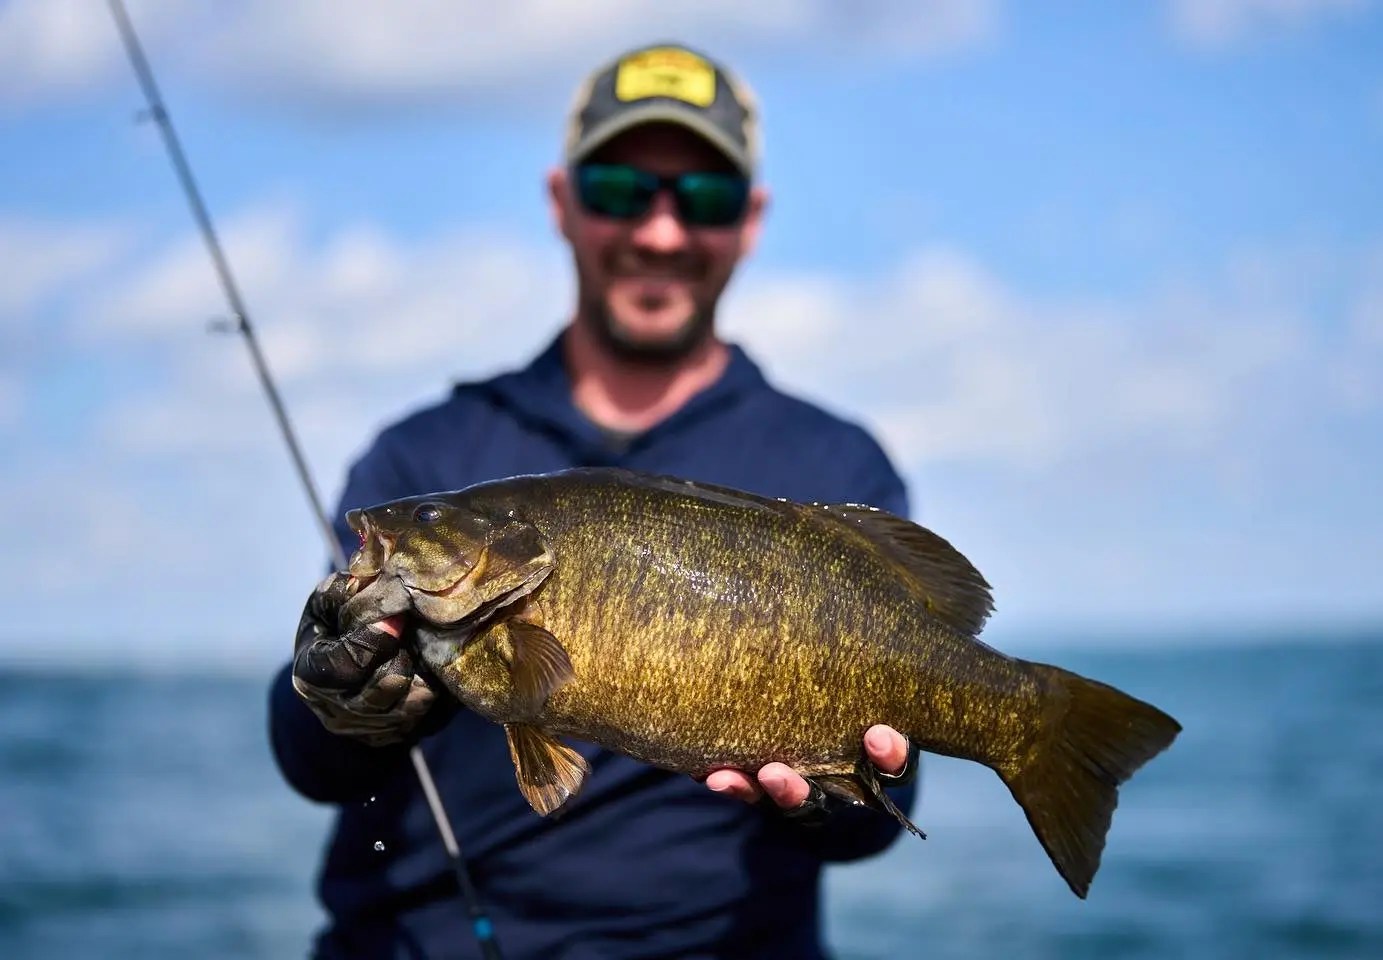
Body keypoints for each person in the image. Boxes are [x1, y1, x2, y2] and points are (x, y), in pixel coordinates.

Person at [268, 41, 919, 960]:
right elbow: (311, 764)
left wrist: (833, 803)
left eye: (703, 198)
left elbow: (876, 825)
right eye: (620, 190)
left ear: (752, 220)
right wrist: (332, 698)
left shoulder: (833, 466)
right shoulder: (429, 456)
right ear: (562, 202)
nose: (659, 232)